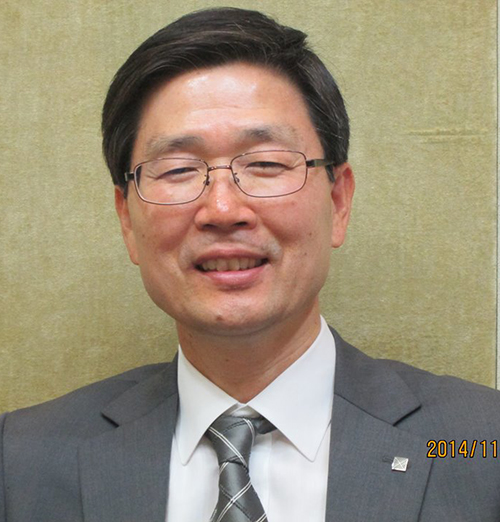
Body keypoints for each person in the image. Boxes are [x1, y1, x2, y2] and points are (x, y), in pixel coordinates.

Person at [1, 7, 499, 522]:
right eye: (177, 169)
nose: (222, 210)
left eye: (265, 163)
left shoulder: (480, 445)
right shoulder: (21, 460)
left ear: (339, 202)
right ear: (127, 218)